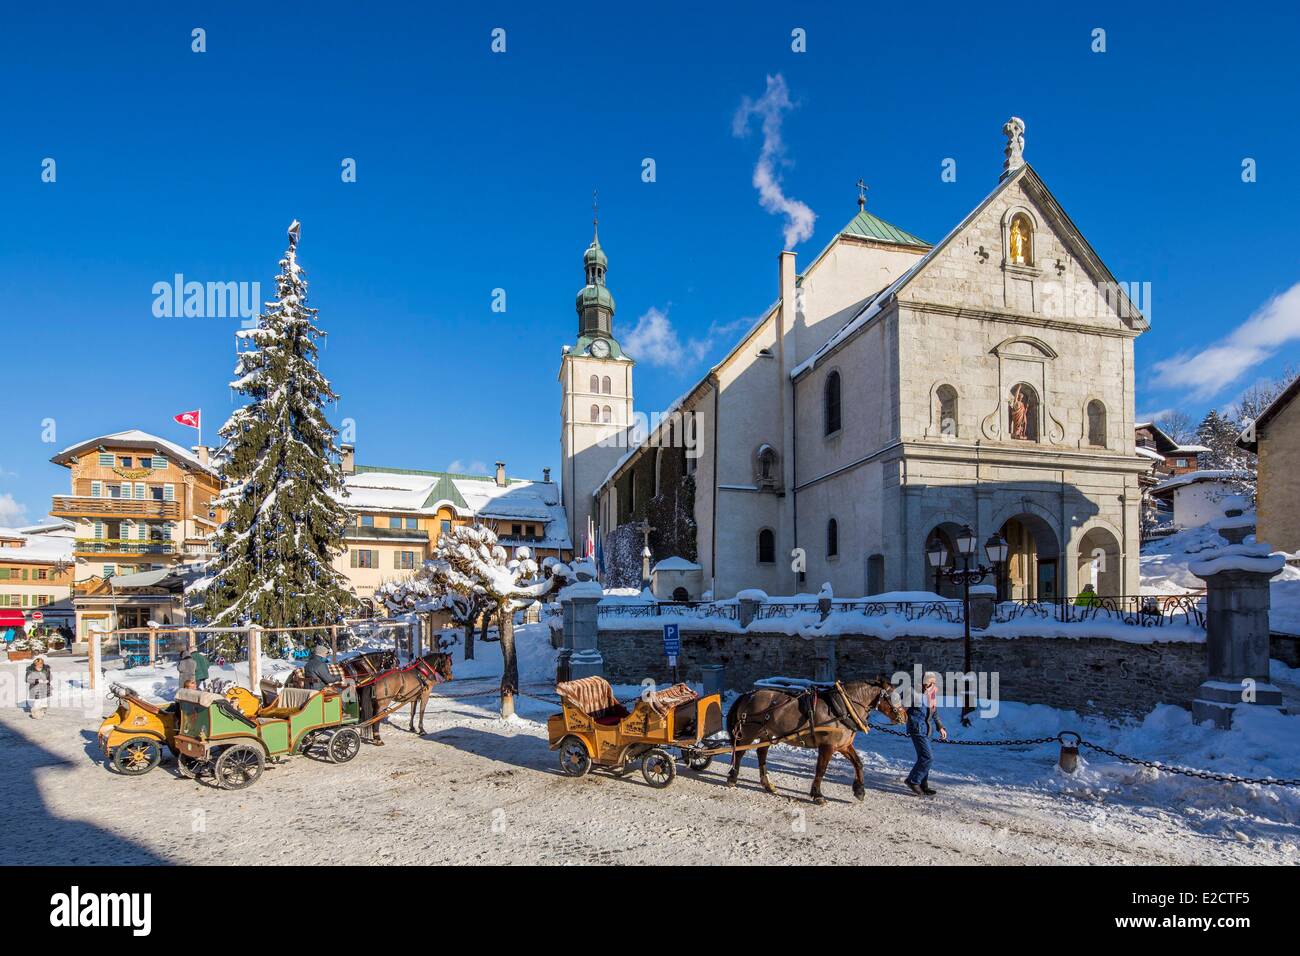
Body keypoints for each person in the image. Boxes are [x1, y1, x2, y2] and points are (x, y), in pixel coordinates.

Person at [904, 671, 947, 796]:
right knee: (928, 757)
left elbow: (935, 714)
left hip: (927, 730)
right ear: (923, 683)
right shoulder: (913, 693)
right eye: (930, 682)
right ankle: (913, 781)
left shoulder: (932, 696)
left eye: (934, 682)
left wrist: (941, 728)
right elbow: (901, 708)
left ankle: (923, 785)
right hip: (917, 729)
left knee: (923, 757)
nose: (932, 685)